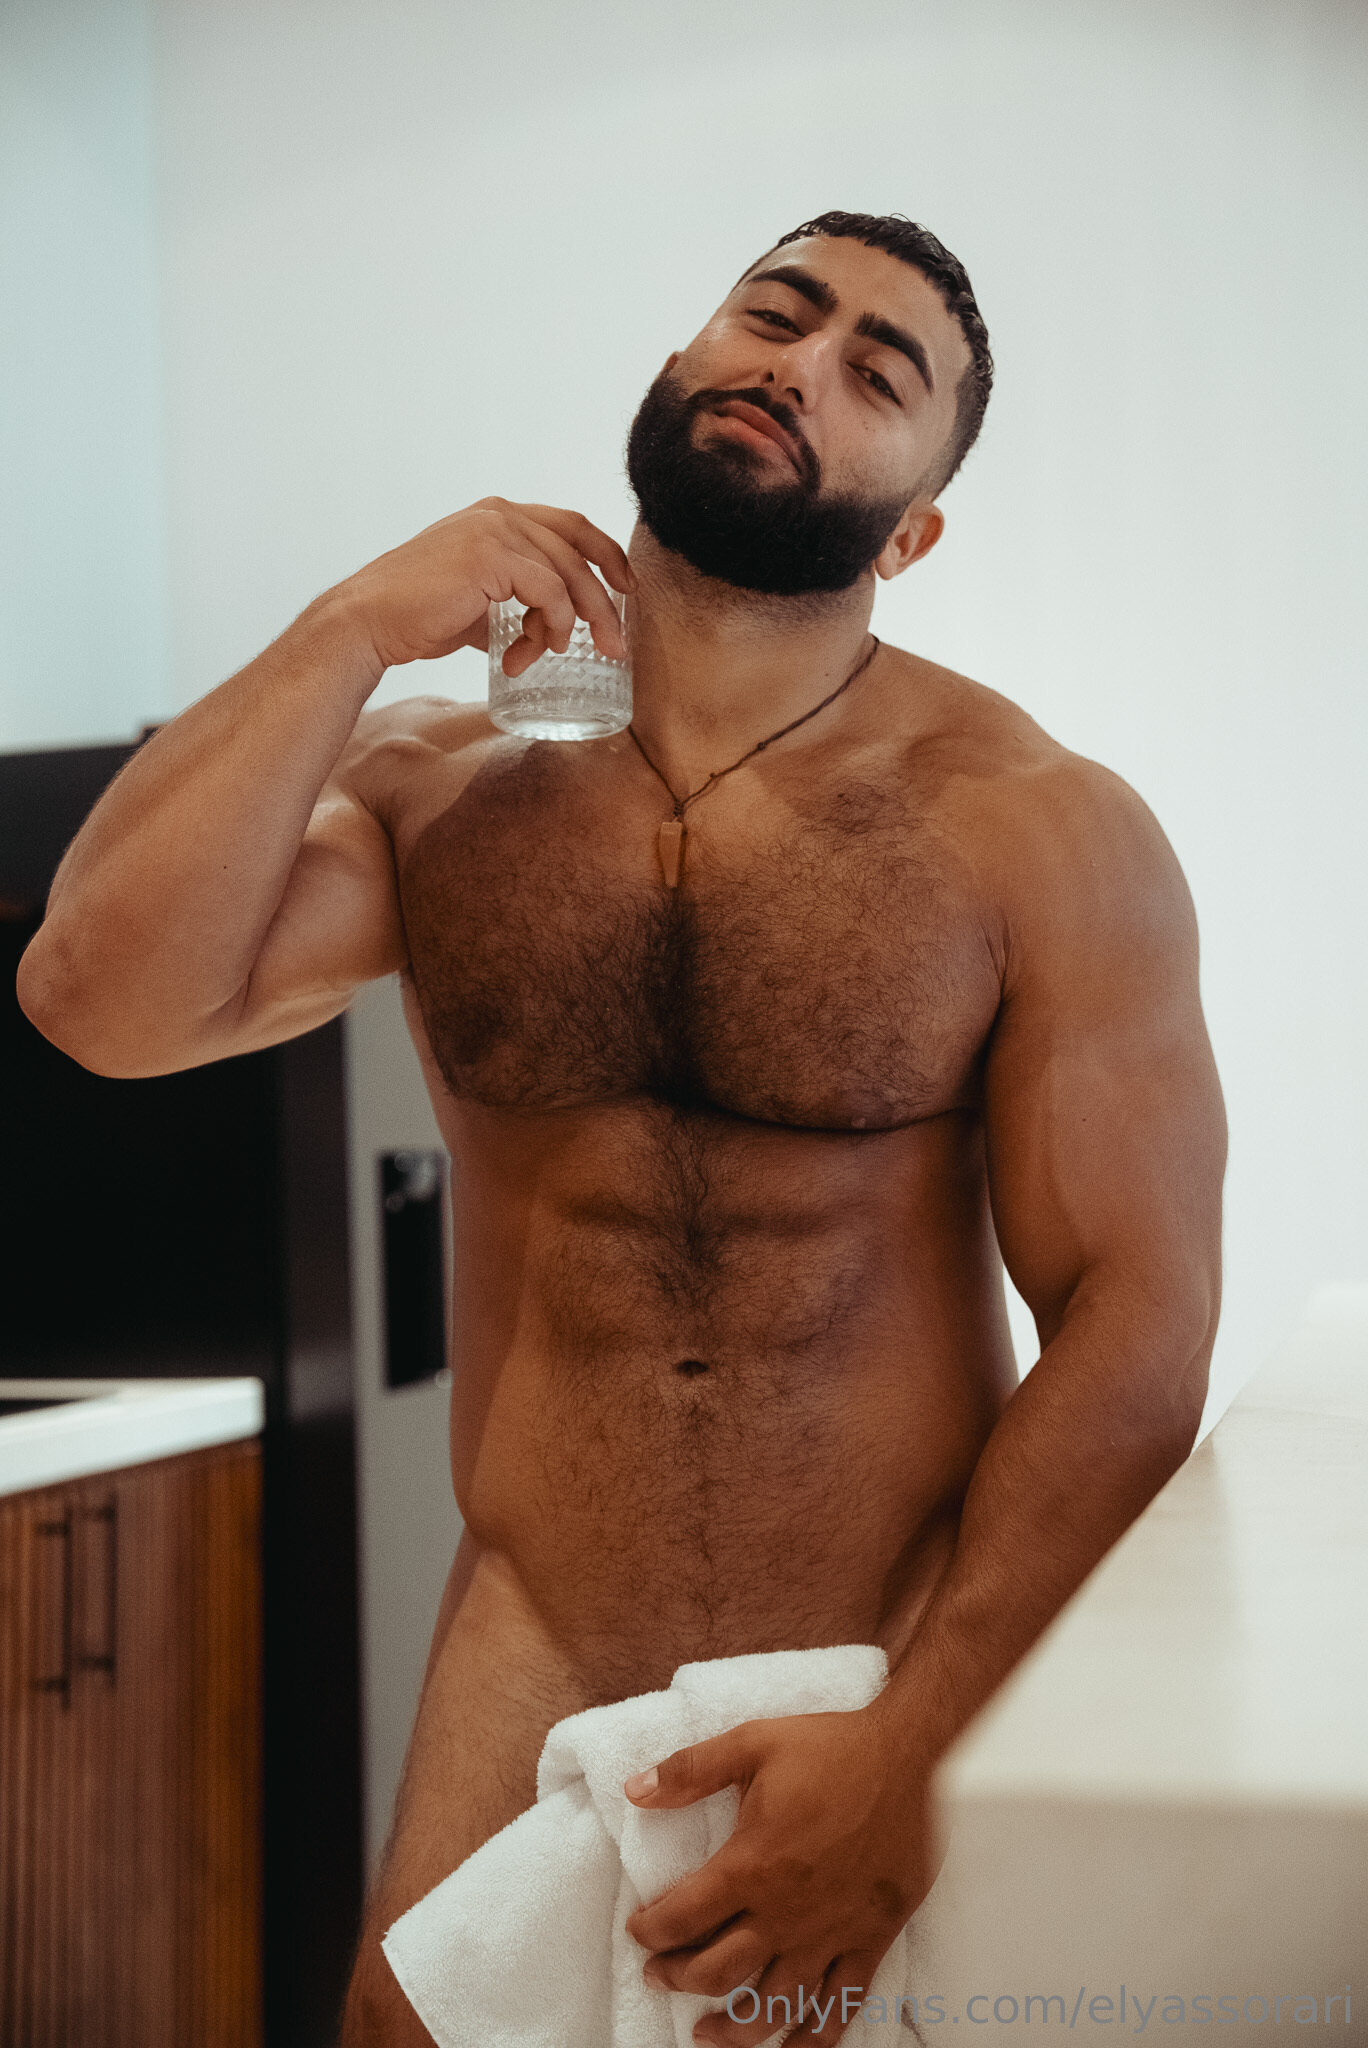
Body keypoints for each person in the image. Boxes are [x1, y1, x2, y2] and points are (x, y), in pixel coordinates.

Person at [17, 211, 1226, 2046]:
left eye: (876, 372)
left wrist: (913, 1745)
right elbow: (96, 999)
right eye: (774, 315)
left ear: (914, 531)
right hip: (531, 1644)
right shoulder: (442, 786)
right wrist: (352, 627)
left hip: (882, 1651)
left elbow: (1140, 1325)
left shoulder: (1035, 826)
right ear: (679, 369)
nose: (798, 366)